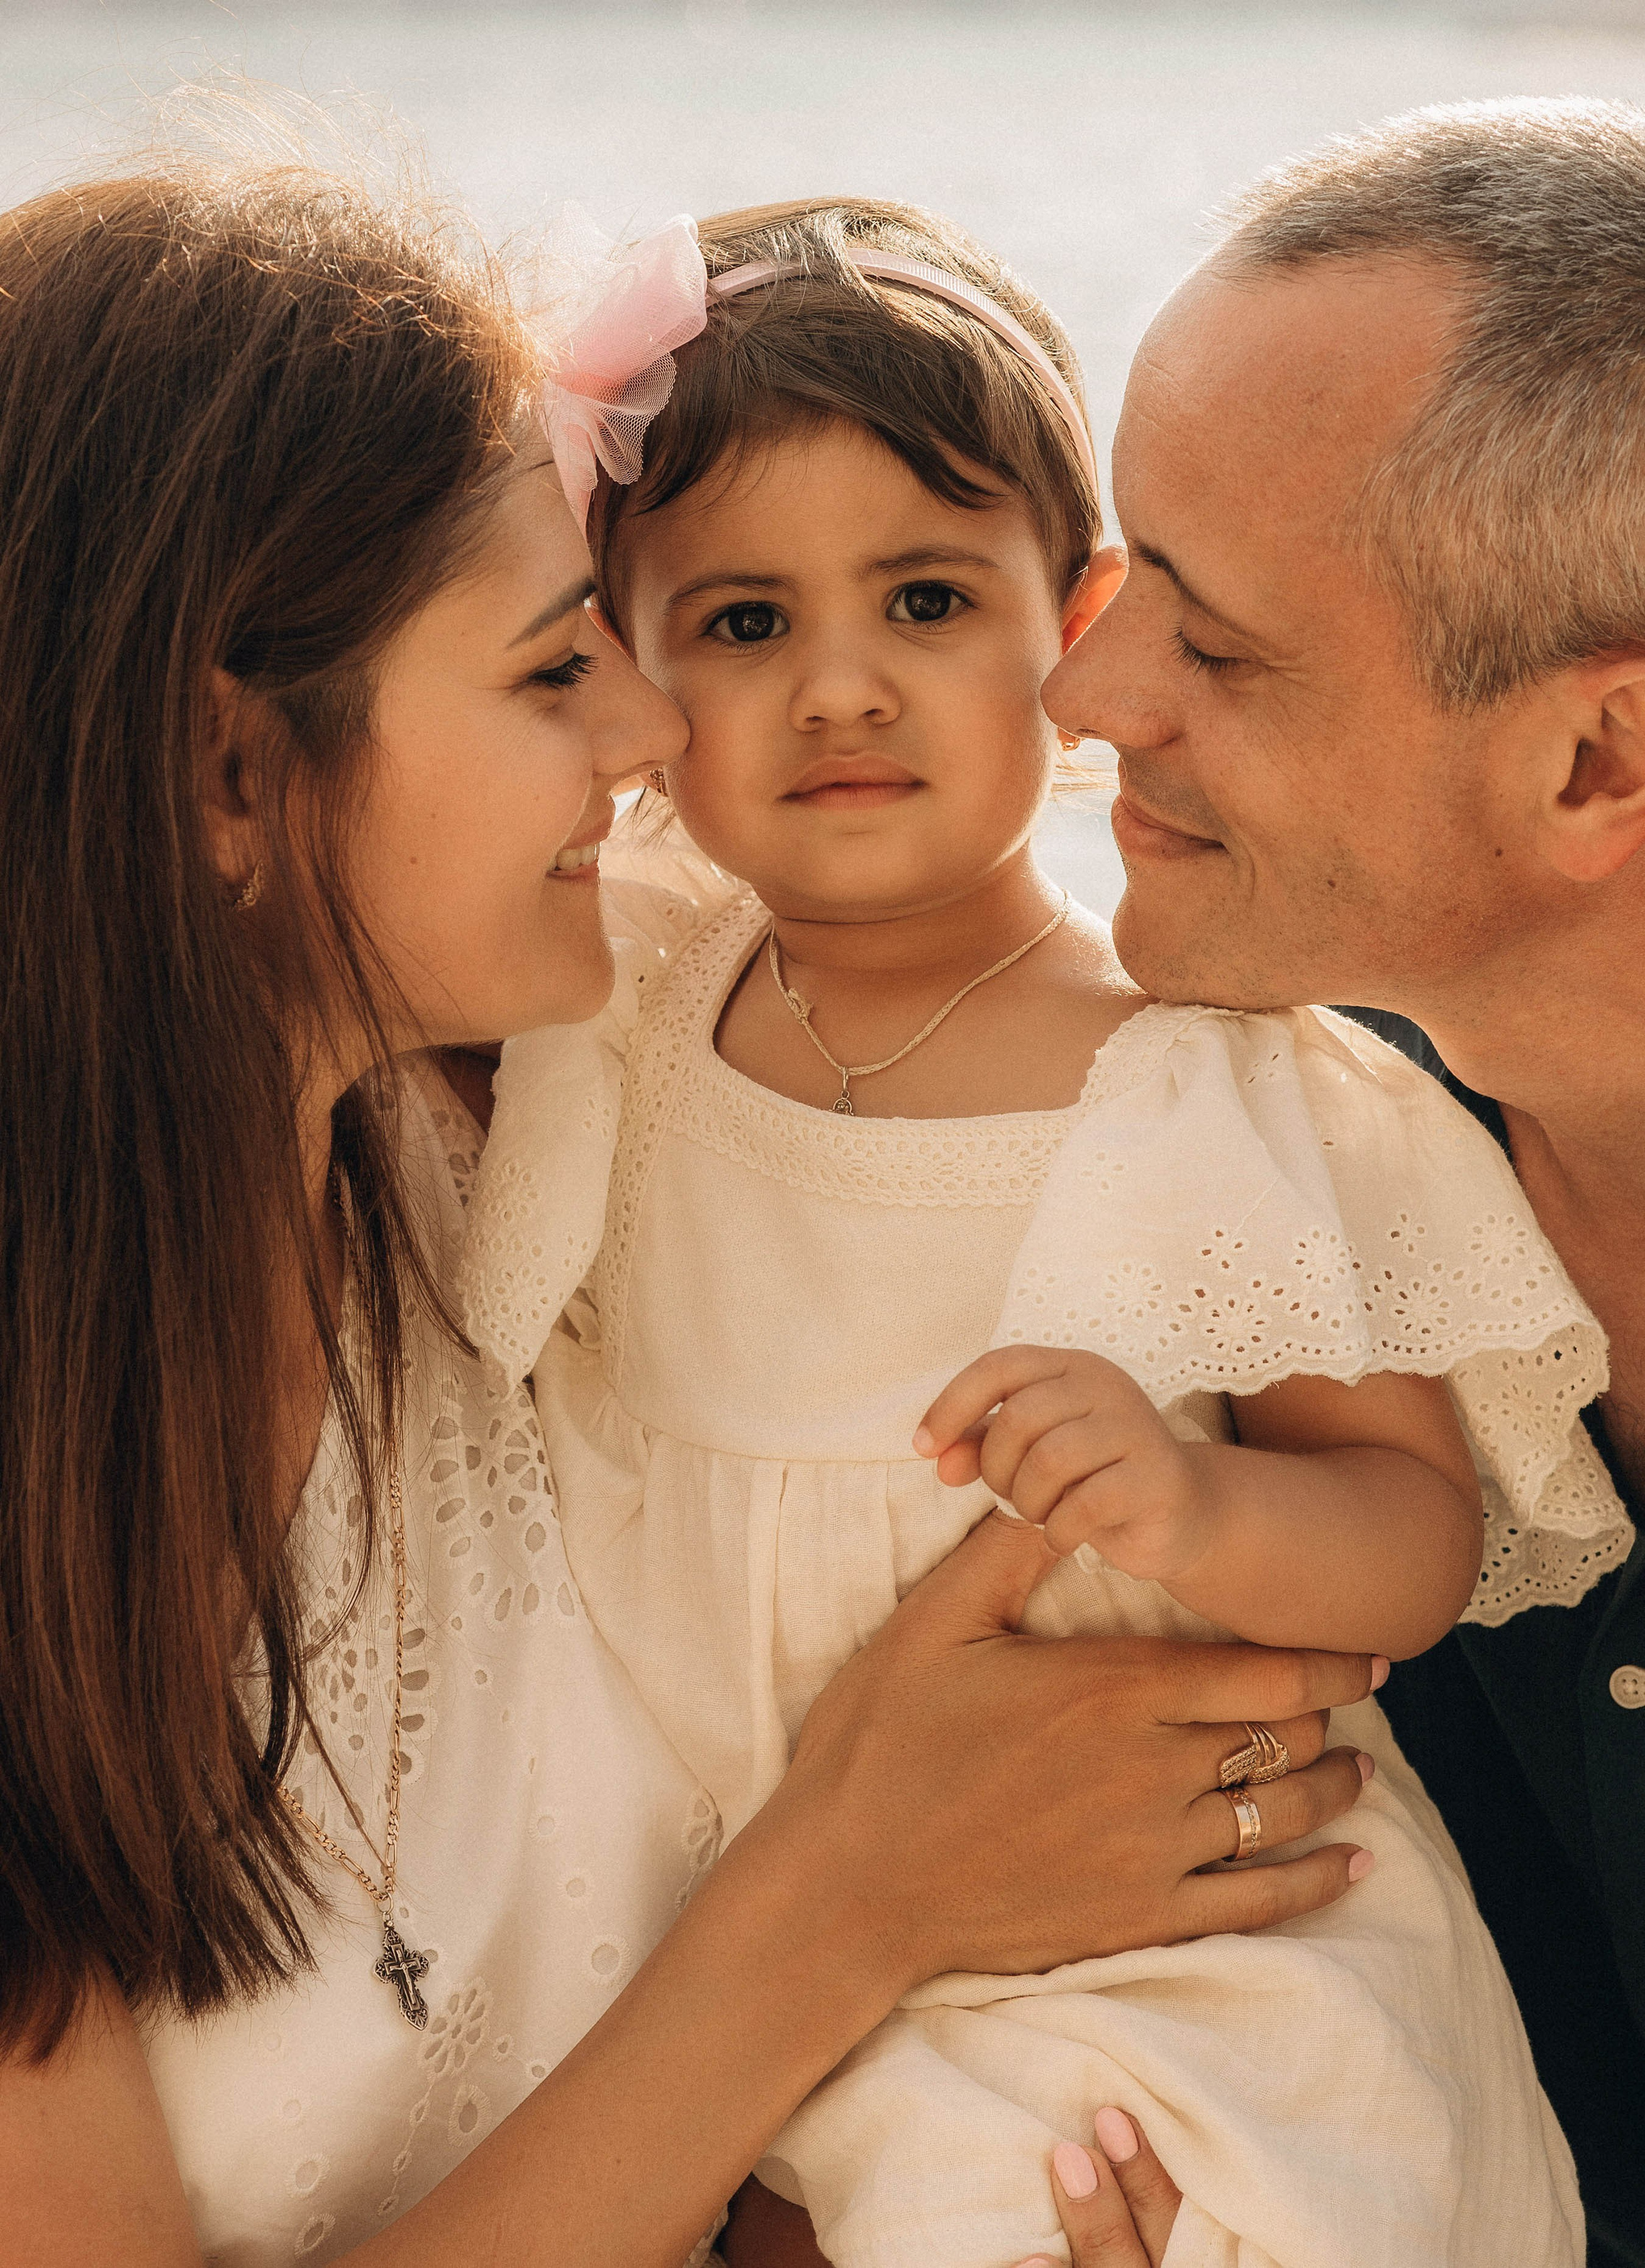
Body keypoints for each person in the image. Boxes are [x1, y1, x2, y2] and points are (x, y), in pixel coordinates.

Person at [0, 150, 1382, 2268]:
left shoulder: (525, 1160)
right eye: (562, 667)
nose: (656, 731)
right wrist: (848, 1897)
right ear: (224, 777)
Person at [463, 195, 1608, 2267]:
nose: (837, 691)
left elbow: (1411, 1534)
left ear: (1062, 624)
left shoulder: (1199, 1081)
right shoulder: (611, 1014)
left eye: (921, 598)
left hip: (1153, 1952)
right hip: (731, 1924)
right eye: (738, 626)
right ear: (628, 670)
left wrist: (1186, 1495)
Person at [1042, 94, 1645, 2268]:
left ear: (1597, 760)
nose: (1077, 687)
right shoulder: (1259, 1164)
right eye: (1112, 572)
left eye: (1211, 640)